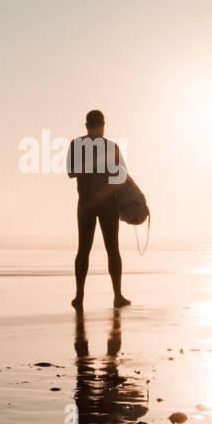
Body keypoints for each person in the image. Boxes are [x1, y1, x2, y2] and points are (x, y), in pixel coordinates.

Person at [67, 109, 131, 309]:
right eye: (97, 126)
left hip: (97, 205)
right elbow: (71, 172)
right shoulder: (89, 145)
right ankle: (88, 296)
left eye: (99, 126)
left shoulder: (83, 146)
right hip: (95, 204)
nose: (98, 129)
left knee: (104, 250)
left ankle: (109, 296)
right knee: (96, 250)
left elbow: (121, 176)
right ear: (90, 126)